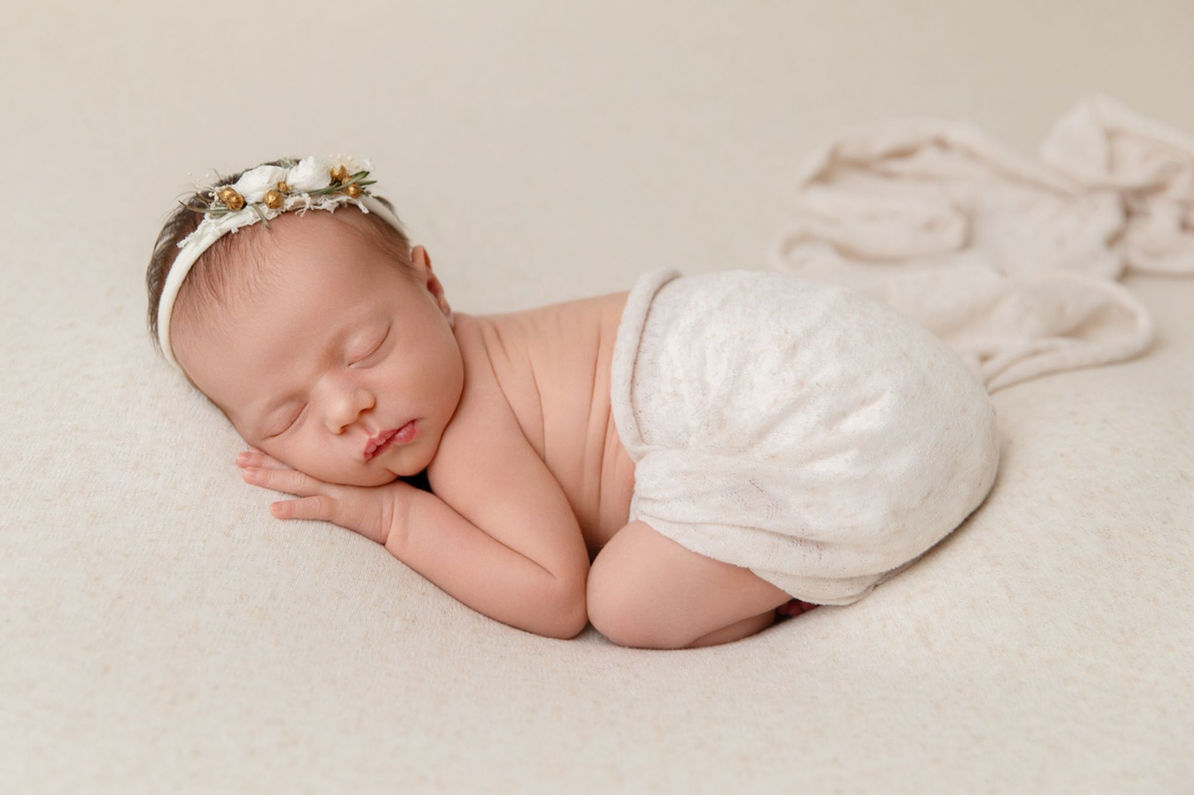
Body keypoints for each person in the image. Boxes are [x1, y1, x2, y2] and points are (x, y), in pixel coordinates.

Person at [147, 156, 1000, 649]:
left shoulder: (468, 431)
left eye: (366, 346)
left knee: (623, 602)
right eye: (286, 416)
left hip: (857, 426)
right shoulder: (487, 359)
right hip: (893, 376)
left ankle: (780, 584)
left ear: (432, 287)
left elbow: (556, 594)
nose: (346, 407)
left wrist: (392, 518)